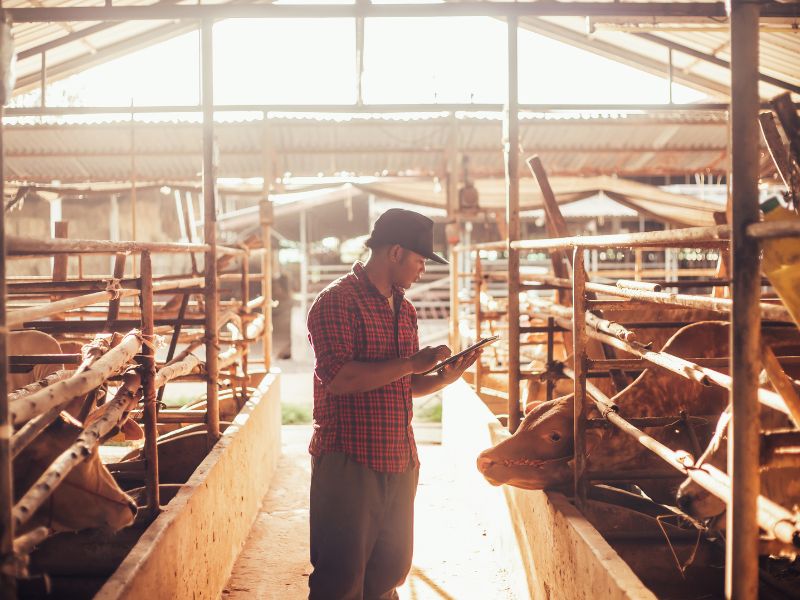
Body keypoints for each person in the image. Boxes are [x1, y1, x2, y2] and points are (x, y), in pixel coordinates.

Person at [306, 208, 481, 600]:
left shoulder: (406, 309)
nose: (422, 270)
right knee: (341, 577)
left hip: (399, 457)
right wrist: (410, 364)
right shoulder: (336, 302)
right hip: (349, 459)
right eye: (420, 261)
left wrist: (443, 377)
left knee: (390, 570)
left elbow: (403, 385)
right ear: (396, 252)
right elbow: (338, 379)